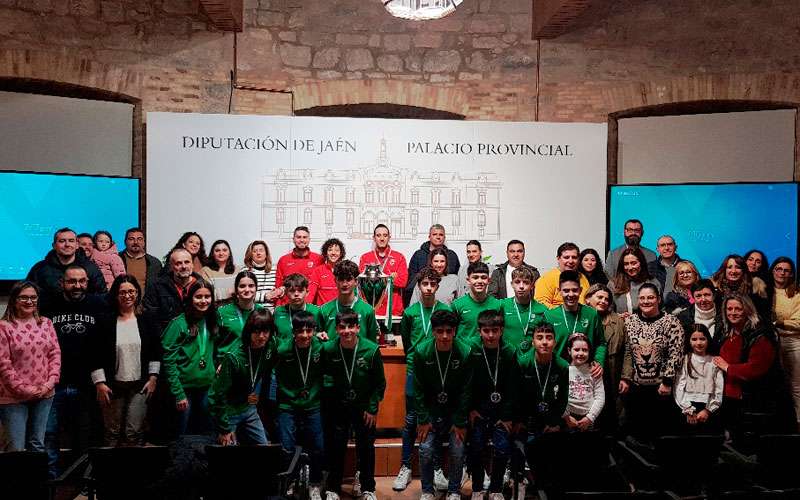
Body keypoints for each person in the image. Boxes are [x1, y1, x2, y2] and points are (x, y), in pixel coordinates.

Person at [41, 265, 107, 477]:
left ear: (87, 282)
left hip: (88, 383)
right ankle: (51, 481)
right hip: (54, 383)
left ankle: (81, 480)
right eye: (72, 281)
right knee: (49, 433)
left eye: (81, 281)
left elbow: (104, 345)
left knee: (86, 434)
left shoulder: (99, 304)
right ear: (62, 283)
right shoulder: (48, 305)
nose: (77, 285)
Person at [395, 267, 450, 492]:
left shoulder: (445, 310)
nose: (428, 288)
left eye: (432, 285)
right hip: (415, 370)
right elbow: (408, 343)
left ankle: (437, 468)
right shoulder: (410, 313)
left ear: (437, 286)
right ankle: (405, 466)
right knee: (410, 420)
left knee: (437, 420)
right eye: (424, 284)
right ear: (419, 286)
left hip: (439, 371)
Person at [90, 275, 160, 446]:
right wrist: (99, 383)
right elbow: (94, 353)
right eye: (122, 292)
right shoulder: (104, 321)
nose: (127, 296)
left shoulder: (147, 319)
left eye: (131, 291)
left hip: (140, 385)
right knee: (112, 432)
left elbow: (155, 350)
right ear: (115, 295)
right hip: (112, 386)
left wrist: (153, 378)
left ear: (137, 293)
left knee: (133, 431)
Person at [322, 311, 386, 500]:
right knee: (336, 447)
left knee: (366, 448)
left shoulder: (371, 349)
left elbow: (379, 383)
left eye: (351, 327)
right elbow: (324, 378)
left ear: (358, 328)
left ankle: (368, 488)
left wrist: (372, 408)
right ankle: (333, 487)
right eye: (342, 327)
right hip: (338, 407)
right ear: (337, 329)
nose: (347, 331)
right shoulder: (328, 349)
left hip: (364, 407)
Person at [414, 309, 473, 500]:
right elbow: (418, 389)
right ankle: (427, 491)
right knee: (426, 450)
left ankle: (454, 490)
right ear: (433, 332)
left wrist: (460, 420)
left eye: (449, 331)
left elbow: (466, 390)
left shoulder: (465, 352)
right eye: (440, 331)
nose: (445, 336)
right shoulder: (422, 351)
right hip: (431, 411)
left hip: (455, 412)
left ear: (455, 331)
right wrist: (423, 419)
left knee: (457, 450)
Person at [0, 281, 60, 452]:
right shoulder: (4, 327)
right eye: (23, 298)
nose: (29, 301)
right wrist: (25, 390)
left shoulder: (46, 323)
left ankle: (36, 480)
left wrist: (48, 384)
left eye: (33, 298)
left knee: (37, 445)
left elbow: (55, 355)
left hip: (44, 395)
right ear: (14, 300)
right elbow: (3, 364)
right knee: (16, 448)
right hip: (12, 397)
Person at [619, 283, 683, 441]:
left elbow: (676, 353)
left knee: (659, 434)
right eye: (642, 298)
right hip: (635, 388)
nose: (646, 301)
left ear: (659, 299)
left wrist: (667, 382)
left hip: (661, 388)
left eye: (650, 297)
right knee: (637, 434)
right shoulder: (629, 322)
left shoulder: (671, 322)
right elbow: (626, 352)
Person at [274, 310, 325, 500]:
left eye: (309, 330)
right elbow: (274, 374)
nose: (305, 335)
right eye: (300, 331)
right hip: (288, 405)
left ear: (314, 330)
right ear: (293, 331)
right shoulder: (283, 350)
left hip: (313, 404)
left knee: (318, 447)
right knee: (286, 447)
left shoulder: (321, 348)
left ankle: (314, 483)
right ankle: (291, 481)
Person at [713, 293, 777, 443]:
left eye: (738, 309)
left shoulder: (760, 334)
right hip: (726, 395)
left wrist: (728, 367)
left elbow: (756, 369)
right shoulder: (724, 330)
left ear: (747, 310)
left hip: (749, 398)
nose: (733, 313)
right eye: (729, 309)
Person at [512, 324, 569, 490]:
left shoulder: (563, 366)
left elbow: (563, 399)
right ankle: (519, 481)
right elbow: (515, 395)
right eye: (540, 338)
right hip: (526, 420)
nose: (544, 342)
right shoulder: (523, 363)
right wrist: (519, 420)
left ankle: (546, 484)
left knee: (550, 459)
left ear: (555, 342)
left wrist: (555, 423)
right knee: (521, 453)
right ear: (532, 342)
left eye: (549, 338)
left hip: (549, 420)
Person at [208, 308, 275, 446]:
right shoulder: (234, 357)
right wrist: (224, 428)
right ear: (249, 331)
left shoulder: (270, 347)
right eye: (256, 332)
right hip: (229, 411)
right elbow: (217, 394)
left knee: (265, 449)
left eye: (266, 332)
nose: (261, 336)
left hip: (248, 408)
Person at [467, 309, 514, 500]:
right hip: (478, 410)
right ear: (479, 331)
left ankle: (496, 489)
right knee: (476, 448)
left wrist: (507, 415)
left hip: (501, 412)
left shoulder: (509, 351)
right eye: (486, 331)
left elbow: (513, 387)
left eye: (495, 330)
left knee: (502, 449)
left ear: (502, 330)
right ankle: (477, 488)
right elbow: (467, 384)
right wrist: (471, 409)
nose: (491, 335)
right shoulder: (472, 350)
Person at [161, 279, 217, 436]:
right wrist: (178, 393)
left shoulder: (212, 320)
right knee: (182, 432)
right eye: (198, 297)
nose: (203, 301)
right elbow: (169, 361)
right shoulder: (179, 324)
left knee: (207, 431)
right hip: (184, 390)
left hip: (207, 387)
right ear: (190, 298)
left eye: (207, 296)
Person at [543, 271, 606, 370]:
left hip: (586, 371)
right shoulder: (549, 316)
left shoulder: (592, 314)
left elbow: (601, 343)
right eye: (566, 290)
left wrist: (599, 362)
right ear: (560, 291)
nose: (571, 294)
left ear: (581, 290)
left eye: (575, 290)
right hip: (558, 371)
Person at [27, 227, 106, 307]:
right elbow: (28, 294)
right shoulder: (40, 269)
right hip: (50, 315)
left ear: (77, 245)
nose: (67, 244)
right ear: (54, 245)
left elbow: (102, 295)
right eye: (62, 241)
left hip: (85, 316)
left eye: (71, 241)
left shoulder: (90, 268)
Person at [584, 283, 626, 432]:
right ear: (588, 298)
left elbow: (626, 351)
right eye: (599, 297)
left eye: (606, 299)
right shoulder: (580, 318)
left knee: (609, 415)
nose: (603, 301)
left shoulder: (617, 320)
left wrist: (625, 377)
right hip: (586, 373)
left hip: (612, 372)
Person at [674, 324, 724, 435]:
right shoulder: (685, 359)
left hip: (707, 407)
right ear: (689, 341)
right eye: (694, 339)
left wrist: (708, 410)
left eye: (702, 339)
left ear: (708, 340)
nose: (698, 343)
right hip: (687, 406)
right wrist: (688, 409)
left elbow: (718, 388)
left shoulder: (714, 361)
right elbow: (679, 386)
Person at [770, 257, 800, 431]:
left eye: (786, 270)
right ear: (773, 270)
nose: (782, 273)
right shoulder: (764, 290)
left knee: (796, 385)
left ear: (791, 274)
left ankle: (797, 424)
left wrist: (779, 323)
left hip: (792, 341)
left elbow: (798, 322)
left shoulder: (796, 293)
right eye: (779, 269)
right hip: (770, 341)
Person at [318, 260, 379, 342]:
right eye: (341, 279)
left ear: (356, 281)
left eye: (349, 279)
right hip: (332, 354)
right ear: (335, 281)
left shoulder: (368, 311)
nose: (345, 284)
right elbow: (317, 341)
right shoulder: (324, 310)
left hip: (359, 355)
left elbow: (372, 345)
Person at [144, 248, 202, 331]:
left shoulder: (203, 286)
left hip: (196, 339)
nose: (184, 266)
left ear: (192, 264)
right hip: (167, 339)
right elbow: (151, 317)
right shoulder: (156, 287)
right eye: (178, 263)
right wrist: (165, 338)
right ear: (171, 266)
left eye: (187, 262)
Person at [359, 224, 409, 319]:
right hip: (371, 309)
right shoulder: (365, 258)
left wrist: (376, 278)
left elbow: (403, 282)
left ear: (389, 237)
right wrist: (390, 278)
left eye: (385, 235)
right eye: (378, 235)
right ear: (374, 238)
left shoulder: (399, 257)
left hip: (393, 310)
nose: (382, 238)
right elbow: (364, 284)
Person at [406, 224, 460, 304]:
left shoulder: (452, 255)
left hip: (446, 300)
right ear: (429, 236)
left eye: (441, 235)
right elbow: (411, 280)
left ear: (444, 238)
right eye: (435, 234)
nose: (438, 237)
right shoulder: (418, 255)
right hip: (423, 300)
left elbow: (457, 281)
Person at [215, 271, 264, 357]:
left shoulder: (262, 311)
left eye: (251, 286)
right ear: (236, 290)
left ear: (256, 288)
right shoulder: (222, 312)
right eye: (242, 286)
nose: (247, 290)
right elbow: (212, 341)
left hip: (253, 362)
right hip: (228, 362)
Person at [563, 333, 605, 431]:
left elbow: (600, 397)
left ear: (589, 351)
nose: (581, 353)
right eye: (577, 350)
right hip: (568, 418)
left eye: (585, 350)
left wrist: (590, 418)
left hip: (589, 418)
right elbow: (558, 396)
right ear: (569, 350)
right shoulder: (564, 370)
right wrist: (566, 416)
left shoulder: (594, 370)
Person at [501, 267, 548, 350]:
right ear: (512, 284)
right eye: (517, 282)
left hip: (531, 358)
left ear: (532, 286)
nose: (521, 286)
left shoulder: (542, 309)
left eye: (526, 282)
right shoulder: (503, 305)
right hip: (508, 356)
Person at [452, 261, 502, 341]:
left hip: (487, 351)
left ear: (489, 280)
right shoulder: (457, 305)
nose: (479, 281)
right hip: (464, 352)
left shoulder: (497, 305)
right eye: (475, 277)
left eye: (483, 277)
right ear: (468, 280)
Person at [275, 226, 324, 305]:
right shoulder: (283, 260)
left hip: (310, 307)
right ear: (293, 239)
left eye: (305, 237)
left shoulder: (319, 259)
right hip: (288, 306)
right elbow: (279, 286)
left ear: (309, 240)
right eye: (298, 237)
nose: (302, 240)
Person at [711, 254, 769, 319]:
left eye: (738, 267)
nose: (733, 271)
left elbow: (762, 316)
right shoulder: (715, 290)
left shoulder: (753, 289)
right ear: (724, 270)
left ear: (743, 270)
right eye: (729, 267)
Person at [676, 280, 725, 355]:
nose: (703, 299)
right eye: (698, 296)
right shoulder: (684, 317)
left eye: (707, 295)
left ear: (714, 295)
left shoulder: (725, 315)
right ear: (693, 298)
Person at [534, 242, 589, 308]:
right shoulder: (546, 279)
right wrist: (566, 312)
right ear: (558, 258)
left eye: (574, 257)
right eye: (566, 257)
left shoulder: (583, 278)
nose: (571, 261)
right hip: (556, 317)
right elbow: (541, 304)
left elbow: (588, 301)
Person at [608, 247, 661, 314]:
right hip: (621, 323)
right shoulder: (613, 284)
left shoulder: (653, 282)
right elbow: (608, 310)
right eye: (626, 264)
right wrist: (618, 317)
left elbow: (660, 308)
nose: (630, 267)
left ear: (641, 263)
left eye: (634, 263)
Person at [273, 274, 321, 342]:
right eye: (292, 291)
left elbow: (321, 335)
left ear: (307, 292)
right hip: (284, 351)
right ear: (286, 293)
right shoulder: (278, 312)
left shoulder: (316, 311)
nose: (296, 294)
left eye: (300, 290)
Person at [118, 228, 163, 296]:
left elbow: (159, 288)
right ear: (125, 242)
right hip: (121, 304)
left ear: (144, 242)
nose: (136, 242)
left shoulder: (154, 263)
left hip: (146, 305)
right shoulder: (116, 259)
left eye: (139, 239)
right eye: (131, 239)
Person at [242, 240, 282, 308]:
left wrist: (279, 291)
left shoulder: (275, 269)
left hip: (273, 311)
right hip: (252, 311)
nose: (258, 253)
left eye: (261, 250)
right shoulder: (245, 271)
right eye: (254, 251)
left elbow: (281, 288)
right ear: (250, 254)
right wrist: (264, 296)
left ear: (266, 254)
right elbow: (242, 293)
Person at [308, 238, 345, 306]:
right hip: (323, 312)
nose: (333, 253)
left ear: (341, 253)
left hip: (341, 313)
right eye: (330, 250)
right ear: (325, 253)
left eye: (337, 250)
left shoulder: (345, 270)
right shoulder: (318, 271)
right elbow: (311, 293)